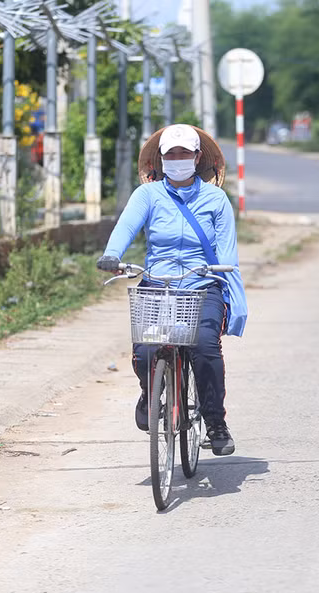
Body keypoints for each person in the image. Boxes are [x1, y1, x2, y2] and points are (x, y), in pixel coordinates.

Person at [96, 124, 247, 456]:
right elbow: (126, 226)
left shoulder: (216, 199)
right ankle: (150, 395)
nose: (177, 159)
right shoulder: (147, 195)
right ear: (160, 160)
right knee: (146, 350)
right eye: (171, 154)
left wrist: (234, 295)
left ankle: (216, 423)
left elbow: (227, 250)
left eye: (184, 153)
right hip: (158, 283)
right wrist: (112, 255)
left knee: (205, 347)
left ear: (197, 158)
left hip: (202, 284)